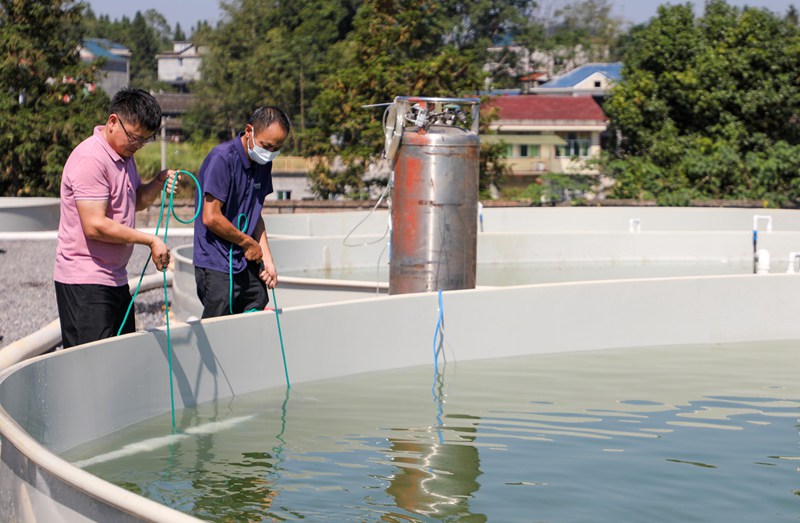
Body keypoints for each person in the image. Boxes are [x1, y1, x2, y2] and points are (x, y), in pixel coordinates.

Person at [54, 87, 180, 349]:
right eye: (134, 138)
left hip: (114, 278)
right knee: (91, 366)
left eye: (143, 141)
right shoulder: (91, 159)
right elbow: (95, 226)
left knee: (117, 358)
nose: (137, 146)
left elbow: (136, 202)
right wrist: (150, 240)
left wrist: (157, 183)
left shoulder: (123, 156)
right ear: (113, 122)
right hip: (85, 280)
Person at [193, 106, 290, 318]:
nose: (270, 152)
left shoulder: (263, 164)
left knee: (257, 300)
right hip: (216, 259)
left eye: (277, 148)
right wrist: (247, 243)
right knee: (219, 319)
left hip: (245, 258)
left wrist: (267, 259)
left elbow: (255, 214)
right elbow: (211, 217)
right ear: (249, 131)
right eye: (266, 145)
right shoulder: (222, 159)